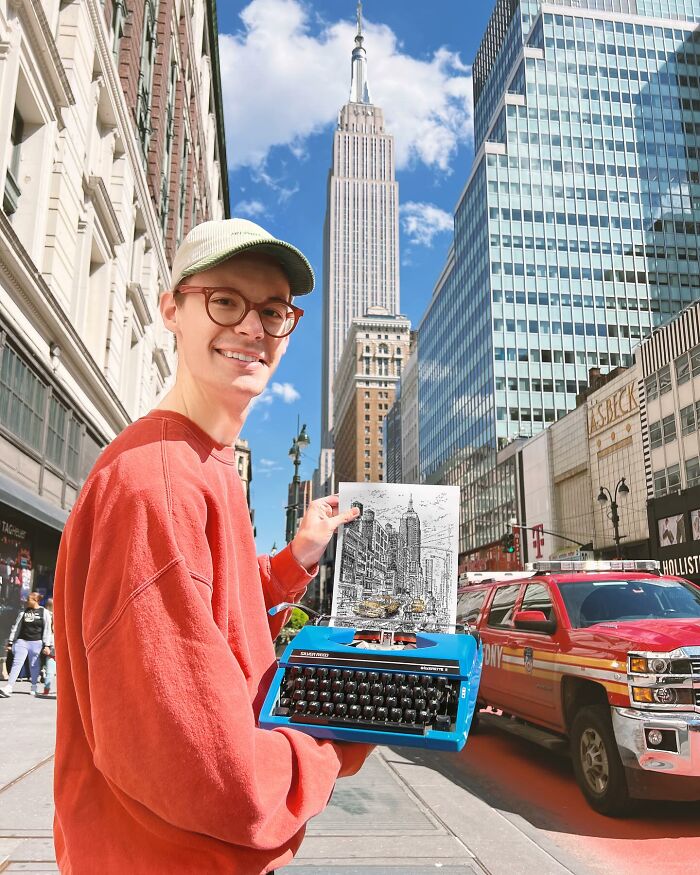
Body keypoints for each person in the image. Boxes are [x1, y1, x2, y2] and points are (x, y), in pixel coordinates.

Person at [53, 219, 369, 874]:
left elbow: (203, 601)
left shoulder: (204, 462)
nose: (253, 328)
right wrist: (344, 725)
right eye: (225, 301)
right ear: (172, 308)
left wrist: (294, 559)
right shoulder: (159, 484)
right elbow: (218, 777)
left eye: (273, 310)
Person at [0, 591, 52, 697]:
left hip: (36, 642)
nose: (27, 601)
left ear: (35, 600)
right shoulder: (23, 612)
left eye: (29, 599)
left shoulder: (44, 612)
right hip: (22, 641)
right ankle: (9, 687)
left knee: (34, 665)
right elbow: (16, 627)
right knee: (16, 664)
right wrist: (11, 641)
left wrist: (47, 645)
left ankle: (34, 686)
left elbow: (47, 629)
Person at [42, 597, 55, 696]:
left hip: (56, 651)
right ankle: (46, 689)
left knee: (52, 672)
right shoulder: (48, 617)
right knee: (50, 672)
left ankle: (47, 689)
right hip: (51, 651)